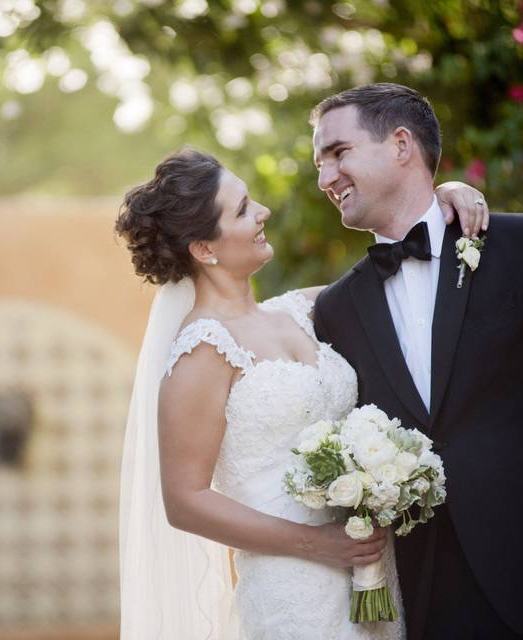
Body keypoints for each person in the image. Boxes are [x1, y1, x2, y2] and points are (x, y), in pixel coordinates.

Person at [116, 148, 488, 639]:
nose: (263, 212)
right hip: (292, 588)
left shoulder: (300, 311)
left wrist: (442, 199)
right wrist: (316, 544)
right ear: (205, 248)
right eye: (244, 208)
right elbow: (185, 500)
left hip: (369, 572)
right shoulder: (201, 351)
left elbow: (400, 269)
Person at [310, 83, 523, 640]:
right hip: (425, 596)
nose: (324, 179)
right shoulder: (335, 308)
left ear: (401, 144)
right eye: (318, 164)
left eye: (338, 153)